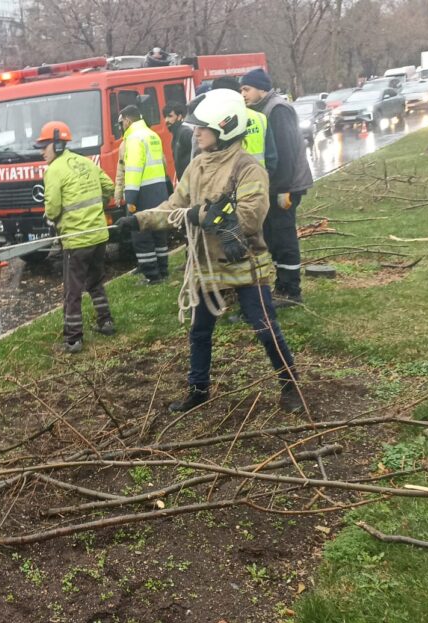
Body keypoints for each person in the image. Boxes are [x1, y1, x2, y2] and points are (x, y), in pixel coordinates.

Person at [116, 89, 302, 414]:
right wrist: (138, 221)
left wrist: (199, 214)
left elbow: (249, 216)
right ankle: (198, 390)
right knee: (200, 331)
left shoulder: (248, 168)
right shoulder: (198, 165)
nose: (197, 132)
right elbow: (175, 206)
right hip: (205, 267)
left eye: (203, 127)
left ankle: (290, 386)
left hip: (245, 265)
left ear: (225, 128)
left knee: (263, 325)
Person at [34, 121, 117, 354]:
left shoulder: (54, 171)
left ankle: (73, 338)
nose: (41, 152)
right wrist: (96, 208)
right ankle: (106, 321)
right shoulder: (86, 162)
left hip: (76, 240)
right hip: (99, 235)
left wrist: (52, 218)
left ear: (58, 145)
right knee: (96, 282)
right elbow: (108, 187)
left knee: (72, 290)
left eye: (44, 146)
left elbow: (52, 208)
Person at [240, 68, 314, 307]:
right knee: (273, 236)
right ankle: (282, 285)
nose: (243, 94)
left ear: (262, 88)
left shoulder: (277, 109)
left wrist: (282, 189)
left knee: (284, 237)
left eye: (246, 89)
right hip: (273, 187)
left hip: (285, 186)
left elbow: (286, 152)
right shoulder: (260, 110)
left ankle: (291, 291)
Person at [119, 105, 171, 284]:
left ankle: (152, 276)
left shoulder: (134, 139)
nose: (121, 126)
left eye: (121, 122)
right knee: (158, 232)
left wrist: (130, 198)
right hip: (159, 190)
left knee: (141, 234)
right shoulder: (152, 134)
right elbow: (163, 162)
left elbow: (133, 170)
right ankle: (163, 270)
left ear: (127, 120)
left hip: (142, 193)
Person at [210, 77, 277, 173]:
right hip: (259, 180)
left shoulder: (210, 121)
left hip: (225, 184)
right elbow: (271, 159)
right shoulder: (259, 117)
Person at [163, 104, 194, 181]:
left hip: (192, 180)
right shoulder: (176, 134)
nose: (166, 120)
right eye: (165, 117)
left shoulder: (185, 132)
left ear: (179, 117)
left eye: (170, 116)